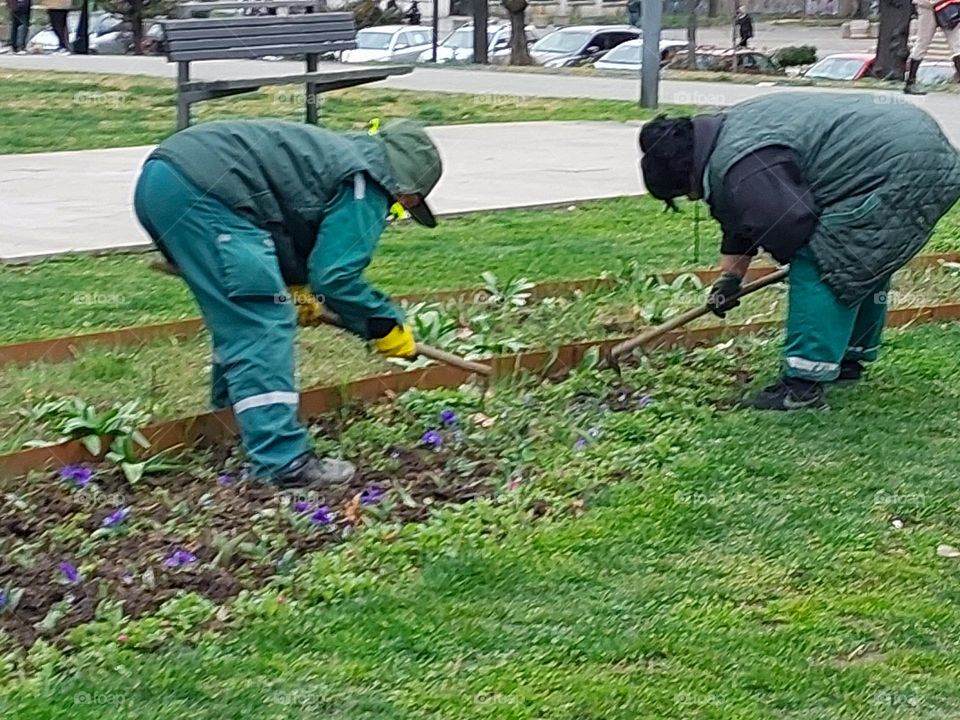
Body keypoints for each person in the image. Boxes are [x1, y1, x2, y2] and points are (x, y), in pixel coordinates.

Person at [133, 119, 442, 487]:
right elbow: (336, 276)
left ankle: (230, 423)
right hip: (206, 193)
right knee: (261, 321)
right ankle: (284, 462)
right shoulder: (366, 182)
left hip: (166, 181)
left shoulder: (336, 157)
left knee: (239, 317)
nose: (400, 210)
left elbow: (284, 218)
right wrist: (384, 324)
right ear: (404, 185)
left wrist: (295, 287)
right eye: (408, 203)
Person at [638, 93, 960, 411]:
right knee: (861, 259)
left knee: (825, 260)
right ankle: (847, 359)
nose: (693, 200)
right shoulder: (726, 134)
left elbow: (789, 223)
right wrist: (729, 279)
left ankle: (802, 388)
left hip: (900, 165)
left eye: (686, 194)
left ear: (687, 175)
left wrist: (800, 262)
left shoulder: (740, 163)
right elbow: (740, 217)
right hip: (910, 142)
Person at [904, 0, 960, 94]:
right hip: (929, 6)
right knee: (922, 44)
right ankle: (910, 82)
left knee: (957, 45)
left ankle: (910, 82)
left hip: (946, 5)